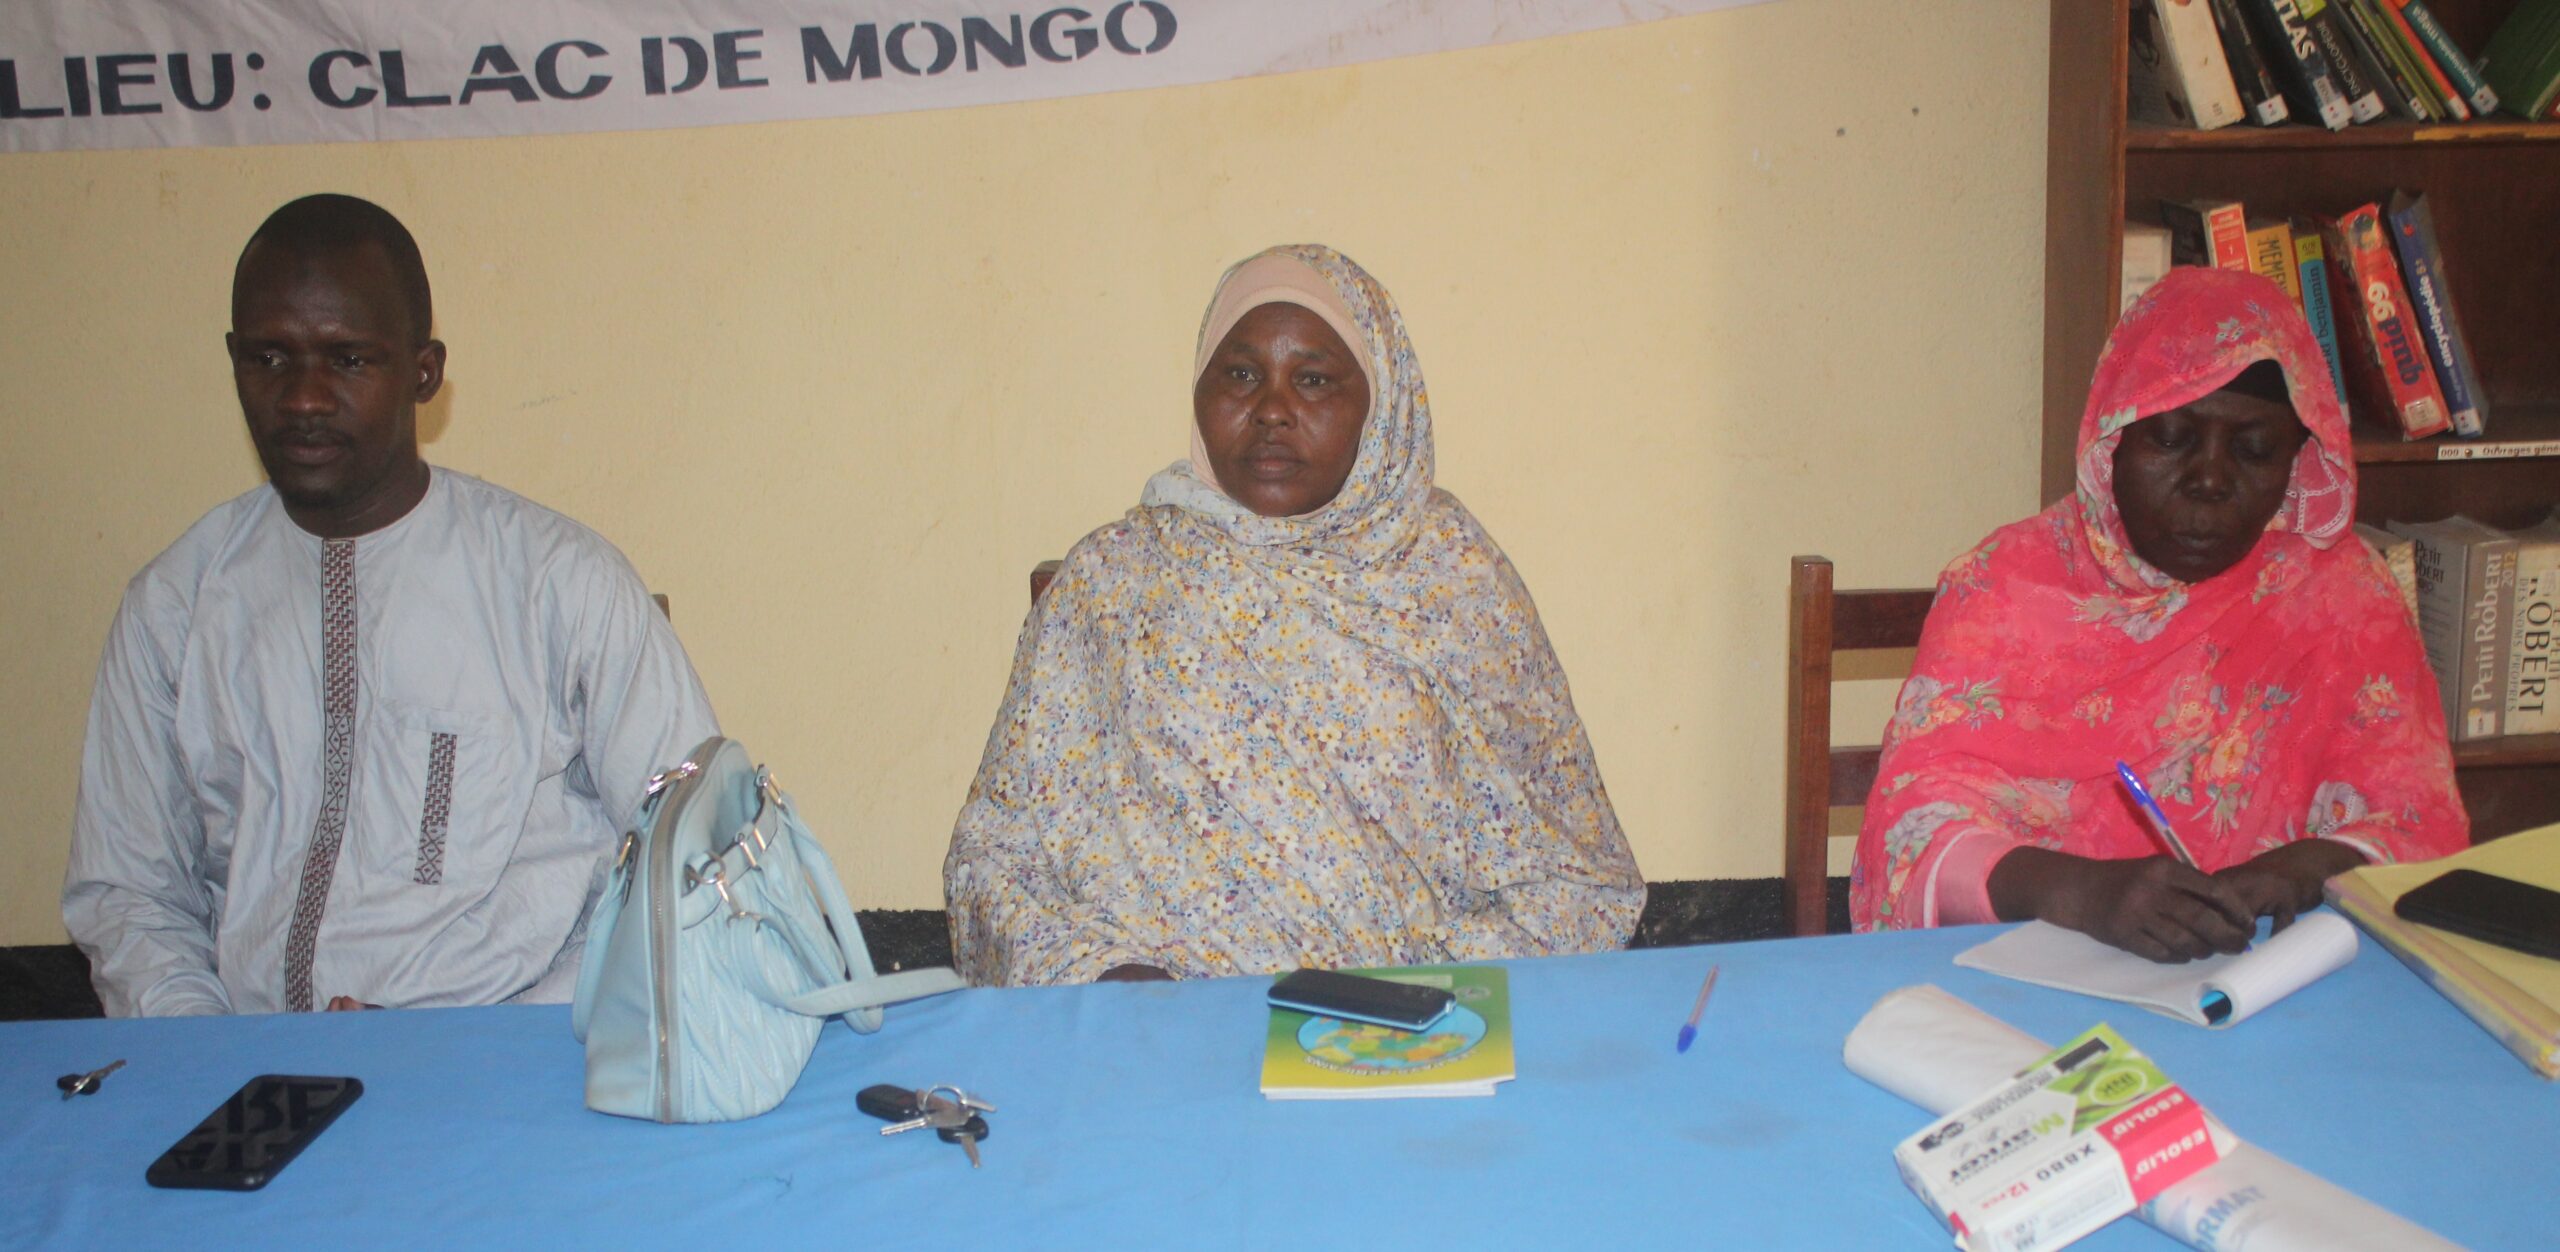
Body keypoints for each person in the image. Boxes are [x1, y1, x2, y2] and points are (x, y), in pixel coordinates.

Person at [63, 194, 719, 1015]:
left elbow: (695, 870)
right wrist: (219, 1053)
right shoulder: (176, 606)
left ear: (424, 372)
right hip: (247, 1065)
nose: (303, 398)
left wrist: (471, 1049)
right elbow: (130, 895)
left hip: (515, 1056)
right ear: (233, 360)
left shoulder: (560, 586)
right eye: (269, 358)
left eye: (348, 360)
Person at [945, 244, 1643, 986]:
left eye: (1313, 380)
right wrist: (1101, 978)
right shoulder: (1114, 584)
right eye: (1241, 375)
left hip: (1407, 1020)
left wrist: (1412, 989)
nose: (1272, 410)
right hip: (1165, 1028)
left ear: (1379, 405)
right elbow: (995, 860)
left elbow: (1577, 881)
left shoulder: (1450, 576)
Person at [1849, 267, 2466, 962]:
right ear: (2113, 440)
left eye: (2254, 450)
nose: (2210, 480)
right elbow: (1910, 829)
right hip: (2021, 969)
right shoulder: (2003, 587)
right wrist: (2079, 894)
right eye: (2171, 439)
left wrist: (2298, 871)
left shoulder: (2340, 595)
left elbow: (2417, 825)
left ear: (2299, 456)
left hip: (2256, 973)